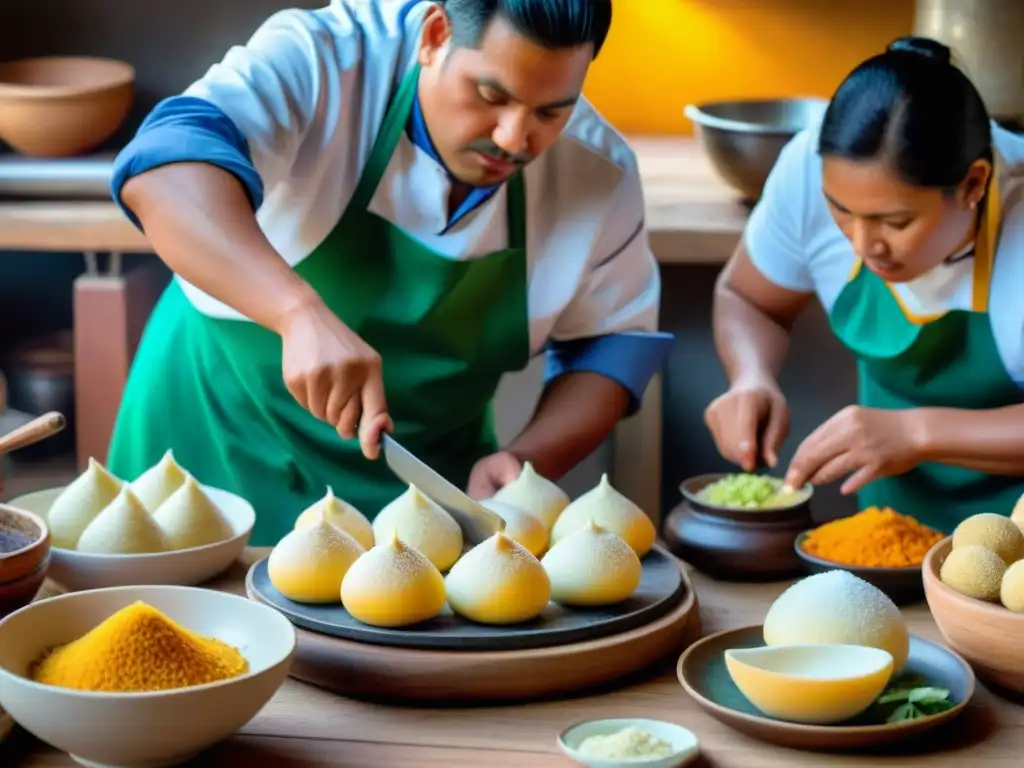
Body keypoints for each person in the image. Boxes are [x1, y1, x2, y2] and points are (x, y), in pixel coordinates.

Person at [107, 0, 672, 545]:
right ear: (434, 35)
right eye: (490, 95)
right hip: (210, 443)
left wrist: (527, 460)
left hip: (418, 504)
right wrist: (296, 313)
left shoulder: (599, 171)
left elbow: (611, 345)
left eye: (551, 111)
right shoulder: (328, 58)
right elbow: (165, 167)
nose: (513, 139)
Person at [704, 36, 1024, 533]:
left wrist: (917, 432)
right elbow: (747, 298)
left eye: (894, 222)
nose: (862, 245)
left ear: (973, 185)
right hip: (890, 529)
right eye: (841, 212)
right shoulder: (809, 169)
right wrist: (751, 374)